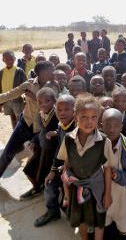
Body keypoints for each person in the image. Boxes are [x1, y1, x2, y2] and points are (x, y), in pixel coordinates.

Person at [57, 94, 112, 240]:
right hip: (77, 188)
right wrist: (67, 193)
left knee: (99, 220)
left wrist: (107, 194)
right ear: (76, 117)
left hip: (97, 189)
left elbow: (107, 169)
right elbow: (66, 167)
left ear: (98, 118)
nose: (89, 122)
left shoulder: (104, 141)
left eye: (94, 117)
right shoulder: (68, 139)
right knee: (81, 219)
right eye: (84, 117)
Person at [0, 61, 55, 177]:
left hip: (40, 129)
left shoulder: (53, 87)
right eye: (51, 70)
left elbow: (54, 108)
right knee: (8, 153)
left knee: (37, 157)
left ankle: (39, 184)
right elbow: (10, 94)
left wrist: (35, 98)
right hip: (24, 124)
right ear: (42, 72)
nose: (53, 72)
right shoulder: (29, 85)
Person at [34, 94, 76, 227]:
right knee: (49, 183)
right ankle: (53, 212)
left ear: (74, 111)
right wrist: (53, 170)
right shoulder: (61, 125)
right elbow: (59, 149)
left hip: (75, 170)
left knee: (70, 191)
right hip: (62, 166)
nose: (62, 113)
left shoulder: (78, 129)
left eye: (66, 110)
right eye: (59, 110)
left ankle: (71, 212)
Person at [102, 108, 126, 240]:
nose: (112, 129)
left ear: (122, 127)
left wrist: (119, 176)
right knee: (106, 225)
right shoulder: (96, 144)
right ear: (101, 125)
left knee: (124, 227)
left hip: (122, 196)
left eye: (116, 125)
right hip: (101, 195)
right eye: (108, 125)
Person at [21, 87, 59, 199]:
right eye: (40, 102)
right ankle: (37, 187)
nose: (44, 104)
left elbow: (63, 130)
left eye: (47, 101)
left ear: (54, 101)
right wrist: (33, 141)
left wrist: (55, 132)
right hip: (41, 147)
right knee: (29, 169)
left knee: (47, 173)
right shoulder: (40, 114)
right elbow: (40, 131)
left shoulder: (57, 114)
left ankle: (40, 188)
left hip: (52, 151)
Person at [0, 50, 27, 128]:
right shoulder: (1, 72)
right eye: (6, 59)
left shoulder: (19, 71)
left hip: (17, 100)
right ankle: (14, 132)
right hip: (6, 100)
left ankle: (19, 134)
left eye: (11, 59)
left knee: (19, 117)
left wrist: (25, 99)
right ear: (3, 60)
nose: (9, 61)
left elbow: (24, 85)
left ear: (14, 59)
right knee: (12, 116)